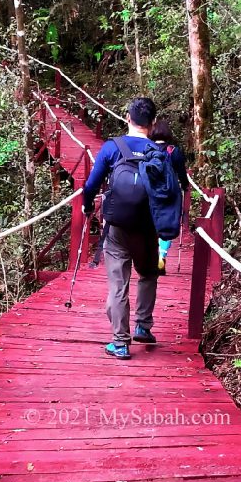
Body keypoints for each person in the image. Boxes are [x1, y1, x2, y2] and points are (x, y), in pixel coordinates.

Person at [83, 98, 164, 360]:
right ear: (153, 124)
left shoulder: (112, 147)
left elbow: (91, 185)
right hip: (148, 227)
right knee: (148, 273)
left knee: (119, 284)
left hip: (117, 226)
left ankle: (120, 342)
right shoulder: (158, 152)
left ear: (127, 118)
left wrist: (87, 207)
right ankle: (143, 326)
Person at [149, 119, 190, 274]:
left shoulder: (148, 148)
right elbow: (181, 173)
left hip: (152, 192)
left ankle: (151, 256)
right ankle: (162, 256)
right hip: (171, 193)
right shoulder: (174, 151)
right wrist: (186, 186)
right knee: (167, 225)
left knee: (152, 224)